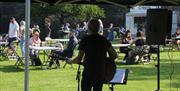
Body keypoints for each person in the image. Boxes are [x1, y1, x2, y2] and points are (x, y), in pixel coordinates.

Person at [69, 19, 117, 91]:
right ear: (98, 28)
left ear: (88, 28)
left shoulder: (85, 40)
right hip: (100, 72)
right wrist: (104, 60)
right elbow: (114, 55)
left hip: (88, 73)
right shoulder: (104, 40)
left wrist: (70, 61)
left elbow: (79, 59)